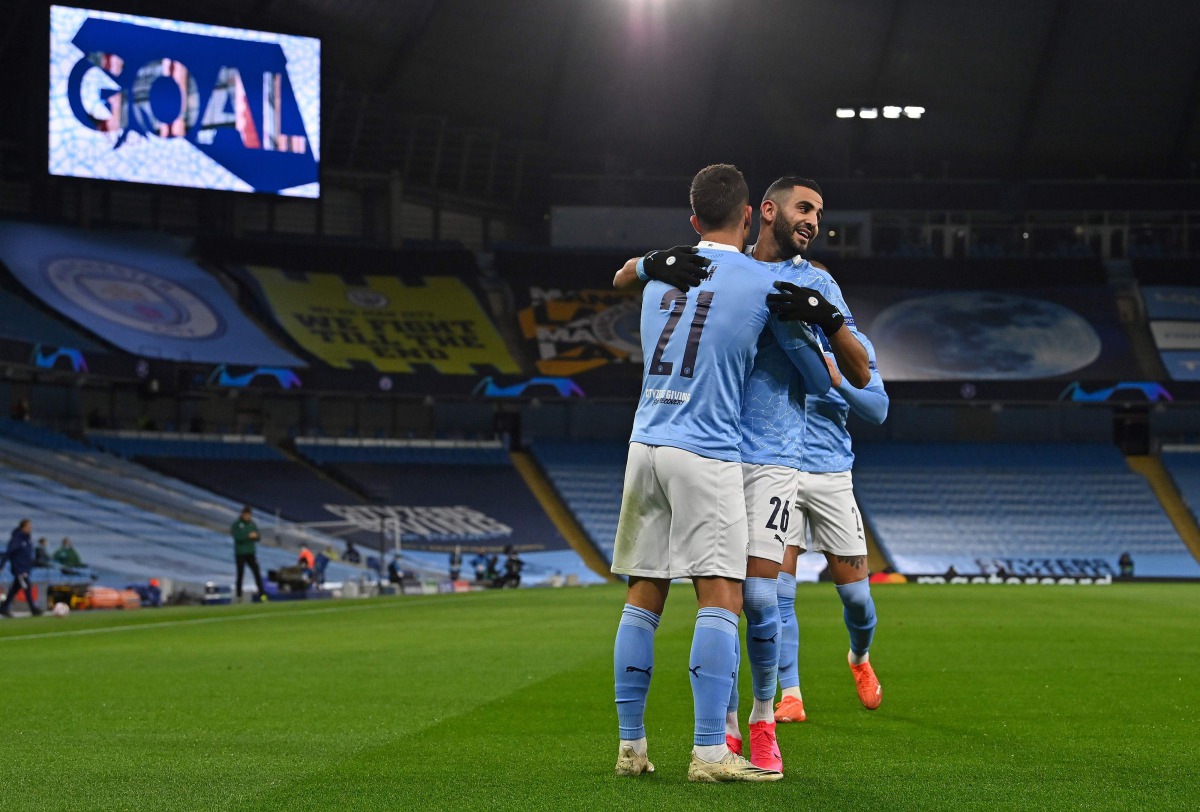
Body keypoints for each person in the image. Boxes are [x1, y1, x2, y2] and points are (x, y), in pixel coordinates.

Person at [613, 175, 870, 771]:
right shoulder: (755, 280)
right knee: (726, 596)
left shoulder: (815, 280)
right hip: (717, 450)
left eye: (820, 212)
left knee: (755, 596)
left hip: (770, 455)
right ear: (762, 213)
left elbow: (862, 374)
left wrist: (826, 317)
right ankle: (719, 733)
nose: (813, 220)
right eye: (804, 208)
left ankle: (761, 718)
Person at [774, 328, 889, 724]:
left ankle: (859, 657)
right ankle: (790, 694)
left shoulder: (850, 344)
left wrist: (837, 380)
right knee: (778, 595)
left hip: (832, 476)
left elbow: (877, 411)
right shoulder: (767, 335)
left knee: (857, 598)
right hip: (777, 473)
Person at [1, 519, 43, 617]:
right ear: (23, 527)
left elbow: (27, 554)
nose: (30, 528)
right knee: (27, 586)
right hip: (19, 569)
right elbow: (8, 552)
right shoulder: (16, 539)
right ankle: (33, 609)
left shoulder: (28, 539)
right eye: (29, 526)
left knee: (15, 588)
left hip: (26, 568)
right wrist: (1, 565)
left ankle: (4, 607)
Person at [231, 506, 267, 602]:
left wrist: (256, 536)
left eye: (249, 515)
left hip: (251, 553)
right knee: (240, 574)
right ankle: (239, 596)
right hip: (240, 553)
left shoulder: (252, 524)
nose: (248, 517)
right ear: (243, 514)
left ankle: (262, 596)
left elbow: (258, 536)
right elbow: (237, 537)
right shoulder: (237, 524)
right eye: (246, 515)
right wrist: (248, 536)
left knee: (257, 574)